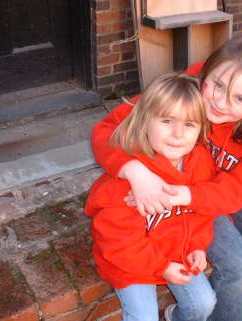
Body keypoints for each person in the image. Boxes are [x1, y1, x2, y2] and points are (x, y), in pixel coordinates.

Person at [91, 25, 242, 321]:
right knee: (240, 267)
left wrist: (189, 196)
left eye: (239, 99)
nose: (220, 102)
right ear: (207, 71)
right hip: (180, 191)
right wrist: (134, 170)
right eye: (217, 85)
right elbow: (107, 130)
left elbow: (239, 192)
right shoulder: (186, 89)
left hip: (220, 193)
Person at [85, 72, 217, 321]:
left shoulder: (200, 162)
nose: (178, 133)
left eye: (189, 124)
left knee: (204, 303)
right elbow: (117, 241)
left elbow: (201, 212)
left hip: (175, 251)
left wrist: (197, 245)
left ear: (201, 129)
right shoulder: (128, 178)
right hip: (130, 262)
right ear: (145, 121)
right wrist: (163, 268)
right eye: (167, 121)